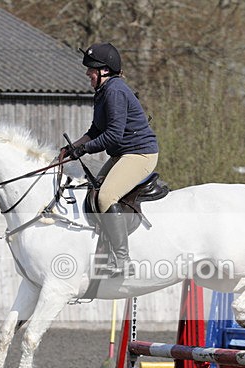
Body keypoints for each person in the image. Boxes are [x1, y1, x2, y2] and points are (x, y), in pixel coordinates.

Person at [60, 43, 159, 277]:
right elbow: (96, 130)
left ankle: (123, 260)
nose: (87, 74)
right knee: (92, 191)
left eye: (91, 69)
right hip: (123, 153)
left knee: (106, 196)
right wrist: (72, 147)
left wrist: (83, 150)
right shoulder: (103, 92)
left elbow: (112, 135)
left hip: (140, 153)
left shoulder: (114, 91)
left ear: (104, 70)